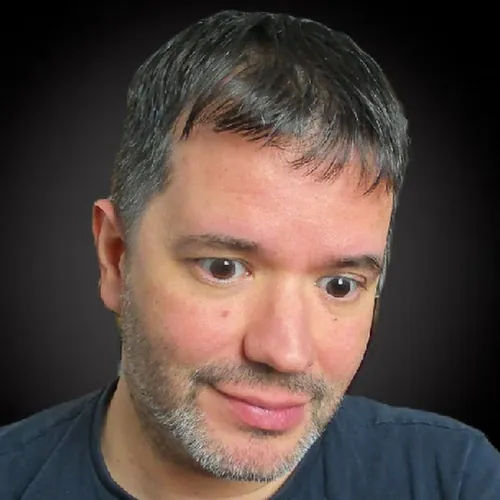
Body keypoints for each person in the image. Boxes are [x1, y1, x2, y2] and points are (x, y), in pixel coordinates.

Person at [1, 9, 499, 500]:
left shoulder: (456, 480)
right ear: (115, 257)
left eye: (340, 285)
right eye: (224, 268)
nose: (285, 353)